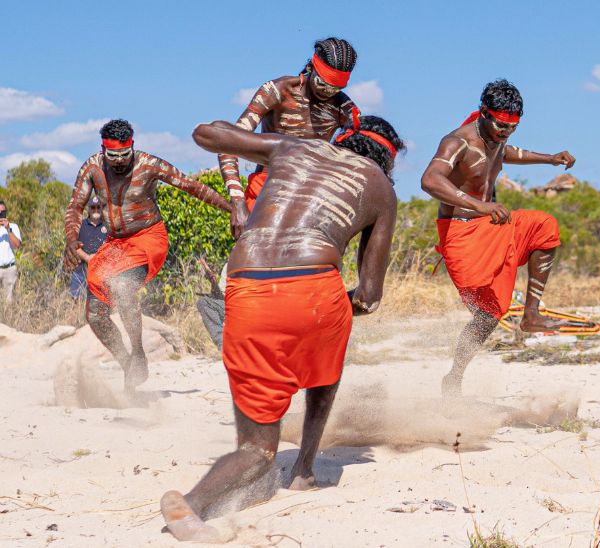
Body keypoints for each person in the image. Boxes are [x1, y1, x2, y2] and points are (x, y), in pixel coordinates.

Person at [160, 115, 402, 542]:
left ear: (344, 140)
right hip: (314, 286)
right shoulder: (380, 188)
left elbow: (205, 133)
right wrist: (331, 312)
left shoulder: (294, 148)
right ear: (386, 160)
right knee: (325, 367)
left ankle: (218, 488)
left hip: (244, 289)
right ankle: (301, 471)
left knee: (254, 448)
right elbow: (368, 295)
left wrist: (267, 135)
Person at [420, 79, 577, 398]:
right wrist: (480, 206)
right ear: (483, 114)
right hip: (461, 233)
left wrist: (550, 158)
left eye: (512, 126)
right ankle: (455, 377)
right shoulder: (457, 142)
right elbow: (429, 179)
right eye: (500, 125)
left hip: (493, 226)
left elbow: (510, 154)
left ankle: (531, 314)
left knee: (544, 226)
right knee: (489, 313)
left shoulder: (498, 140)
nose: (505, 131)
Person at [63, 119, 231, 390]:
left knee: (122, 285)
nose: (118, 162)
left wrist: (232, 209)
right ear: (103, 150)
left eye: (124, 155)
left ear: (133, 147)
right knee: (95, 314)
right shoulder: (92, 167)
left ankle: (139, 352)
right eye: (112, 156)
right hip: (114, 244)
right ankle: (127, 362)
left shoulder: (149, 165)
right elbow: (75, 207)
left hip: (147, 238)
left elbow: (191, 186)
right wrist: (72, 239)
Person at [219, 37, 361, 237]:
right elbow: (227, 144)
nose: (326, 92)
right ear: (312, 66)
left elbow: (364, 160)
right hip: (266, 190)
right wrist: (238, 203)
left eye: (335, 88)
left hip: (313, 197)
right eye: (322, 83)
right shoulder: (278, 91)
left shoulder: (344, 109)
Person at [69, 197, 108, 299]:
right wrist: (87, 257)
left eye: (98, 207)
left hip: (101, 272)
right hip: (80, 271)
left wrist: (97, 257)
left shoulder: (107, 226)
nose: (95, 210)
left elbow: (111, 246)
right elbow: (73, 245)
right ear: (88, 209)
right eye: (93, 207)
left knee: (99, 302)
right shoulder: (80, 225)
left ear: (101, 208)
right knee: (76, 301)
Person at [195, 257, 227, 350]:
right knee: (203, 302)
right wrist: (212, 280)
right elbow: (221, 295)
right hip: (234, 307)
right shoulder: (229, 266)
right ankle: (223, 346)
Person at [0, 200, 22, 303]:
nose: (1, 214)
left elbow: (17, 245)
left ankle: (8, 319)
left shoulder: (13, 226)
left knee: (8, 303)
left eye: (2, 212)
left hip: (9, 270)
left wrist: (8, 229)